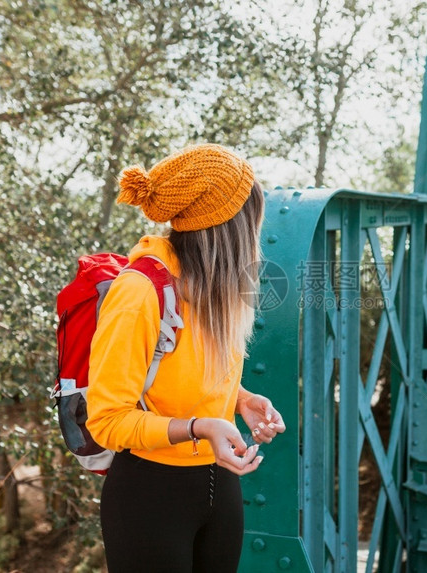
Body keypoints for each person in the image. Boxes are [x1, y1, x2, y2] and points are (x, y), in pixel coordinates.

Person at [86, 143, 286, 573]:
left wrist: (240, 399)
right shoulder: (139, 293)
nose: (256, 235)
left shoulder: (217, 291)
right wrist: (199, 427)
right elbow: (105, 421)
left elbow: (188, 375)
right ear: (225, 229)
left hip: (221, 488)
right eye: (250, 220)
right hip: (150, 497)